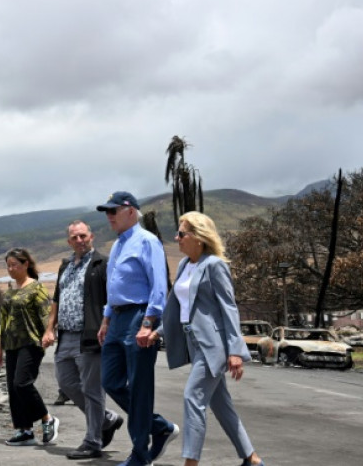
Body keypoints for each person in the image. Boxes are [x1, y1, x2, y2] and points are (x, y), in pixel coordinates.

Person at [150, 212, 265, 466]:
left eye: (182, 233)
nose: (176, 238)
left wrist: (235, 351)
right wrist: (157, 332)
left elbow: (229, 308)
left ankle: (191, 463)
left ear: (199, 238)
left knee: (193, 398)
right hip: (194, 344)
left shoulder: (214, 265)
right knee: (221, 405)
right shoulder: (183, 266)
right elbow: (176, 308)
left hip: (214, 347)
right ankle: (252, 459)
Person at [96, 192, 178, 466]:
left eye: (113, 211)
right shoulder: (118, 245)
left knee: (140, 387)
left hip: (139, 316)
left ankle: (140, 454)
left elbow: (158, 285)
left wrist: (148, 323)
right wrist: (106, 320)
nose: (109, 216)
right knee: (110, 381)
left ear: (131, 211)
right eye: (106, 212)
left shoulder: (147, 241)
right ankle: (159, 426)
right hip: (117, 319)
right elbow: (113, 288)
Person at [41, 221, 123, 459]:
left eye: (83, 236)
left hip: (91, 334)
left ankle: (93, 441)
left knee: (92, 389)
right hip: (66, 335)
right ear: (69, 241)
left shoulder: (103, 263)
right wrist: (49, 329)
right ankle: (107, 419)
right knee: (66, 383)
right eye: (74, 237)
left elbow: (113, 298)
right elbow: (57, 299)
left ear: (92, 237)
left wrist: (107, 326)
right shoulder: (65, 265)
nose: (79, 240)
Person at [0, 248, 59, 446]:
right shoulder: (10, 292)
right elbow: (3, 321)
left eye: (15, 265)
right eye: (8, 265)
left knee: (22, 383)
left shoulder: (36, 288)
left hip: (31, 342)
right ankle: (24, 431)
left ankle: (47, 418)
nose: (11, 269)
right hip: (12, 345)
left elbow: (46, 314)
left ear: (26, 265)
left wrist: (49, 333)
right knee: (13, 389)